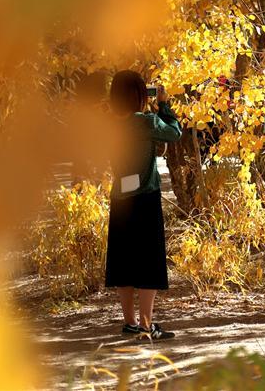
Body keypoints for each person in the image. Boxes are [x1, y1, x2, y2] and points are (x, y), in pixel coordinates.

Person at [106, 70, 181, 338]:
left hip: (120, 197)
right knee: (148, 260)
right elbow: (174, 133)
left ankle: (130, 323)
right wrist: (164, 105)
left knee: (123, 260)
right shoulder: (146, 121)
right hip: (145, 197)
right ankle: (147, 326)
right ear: (139, 95)